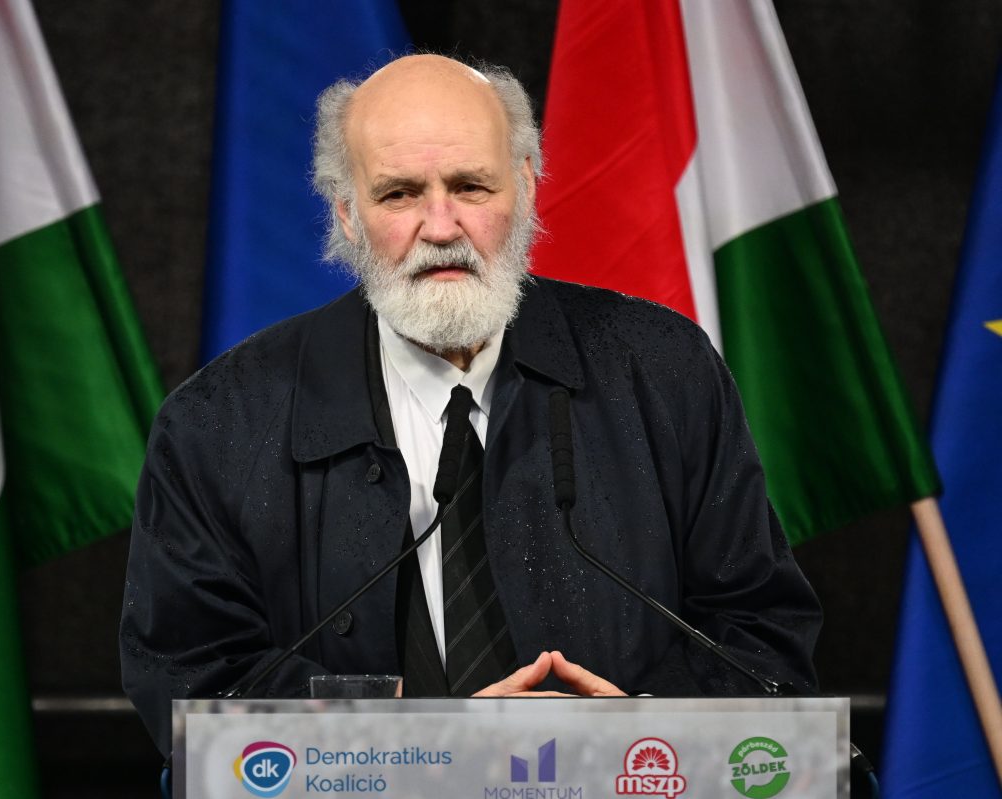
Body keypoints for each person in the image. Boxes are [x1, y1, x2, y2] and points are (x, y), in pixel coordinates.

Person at [120, 54, 821, 757]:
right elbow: (188, 679)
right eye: (399, 194)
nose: (441, 225)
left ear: (526, 186)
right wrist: (426, 738)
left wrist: (638, 734)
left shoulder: (665, 370)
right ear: (347, 213)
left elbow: (762, 633)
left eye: (470, 186)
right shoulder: (217, 422)